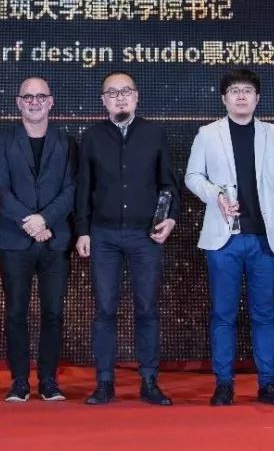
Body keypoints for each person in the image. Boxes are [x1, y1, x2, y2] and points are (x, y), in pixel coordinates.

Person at [185, 69, 274, 406]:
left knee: (265, 313)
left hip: (265, 238)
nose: (241, 96)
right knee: (223, 314)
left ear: (257, 98)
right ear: (224, 98)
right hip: (224, 239)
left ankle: (268, 384)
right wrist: (216, 195)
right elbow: (193, 176)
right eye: (234, 90)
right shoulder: (208, 134)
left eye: (247, 90)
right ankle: (224, 384)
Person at [75, 71, 181, 406]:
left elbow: (168, 183)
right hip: (103, 234)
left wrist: (170, 218)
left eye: (126, 91)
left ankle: (149, 381)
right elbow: (83, 188)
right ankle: (104, 382)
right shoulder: (91, 137)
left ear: (136, 96)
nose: (120, 97)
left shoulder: (154, 133)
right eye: (112, 93)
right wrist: (82, 230)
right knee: (104, 309)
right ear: (103, 100)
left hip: (144, 235)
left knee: (146, 308)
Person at [0, 77, 77, 403]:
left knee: (53, 313)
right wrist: (30, 222)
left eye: (41, 96)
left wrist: (45, 220)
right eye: (28, 97)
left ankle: (49, 381)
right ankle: (19, 381)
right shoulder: (4, 141)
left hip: (55, 240)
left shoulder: (67, 143)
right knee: (15, 313)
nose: (34, 102)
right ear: (19, 102)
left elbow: (72, 189)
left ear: (51, 102)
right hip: (15, 240)